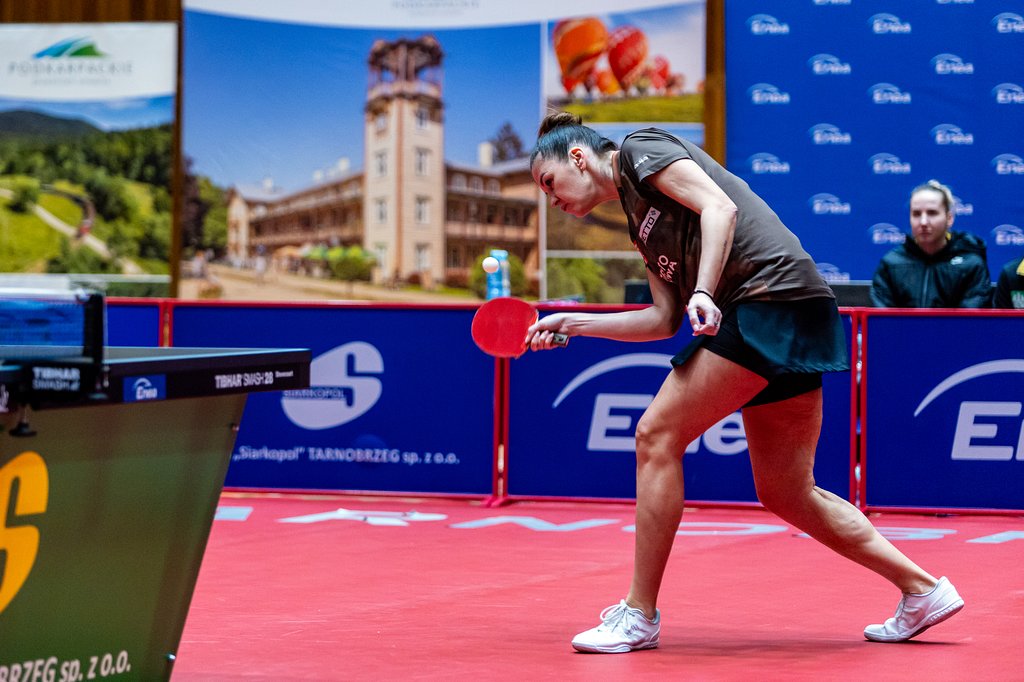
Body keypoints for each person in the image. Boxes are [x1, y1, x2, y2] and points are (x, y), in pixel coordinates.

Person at [525, 113, 963, 653]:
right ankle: (923, 590)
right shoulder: (639, 220)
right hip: (791, 308)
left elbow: (719, 207)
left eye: (549, 183)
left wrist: (704, 291)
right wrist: (573, 323)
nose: (552, 200)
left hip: (765, 300)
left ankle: (638, 614)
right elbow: (661, 319)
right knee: (786, 491)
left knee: (656, 436)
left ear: (578, 157)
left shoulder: (640, 150)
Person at [870, 180, 991, 308]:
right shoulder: (891, 264)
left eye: (932, 213)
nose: (923, 222)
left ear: (949, 218)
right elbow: (883, 318)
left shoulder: (971, 265)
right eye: (916, 214)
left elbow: (971, 318)